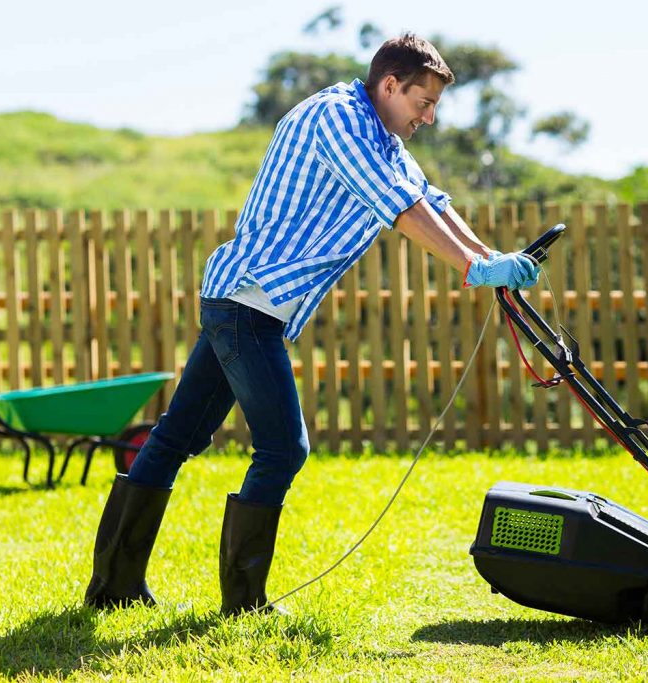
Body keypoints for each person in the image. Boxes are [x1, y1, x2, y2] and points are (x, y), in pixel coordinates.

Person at [83, 33, 540, 615]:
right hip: (249, 300)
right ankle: (242, 602)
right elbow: (398, 207)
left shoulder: (383, 136)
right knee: (282, 447)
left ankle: (114, 587)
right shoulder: (338, 119)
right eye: (423, 103)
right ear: (390, 85)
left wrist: (492, 259)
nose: (428, 117)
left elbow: (429, 199)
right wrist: (473, 268)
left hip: (247, 304)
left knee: (177, 437)